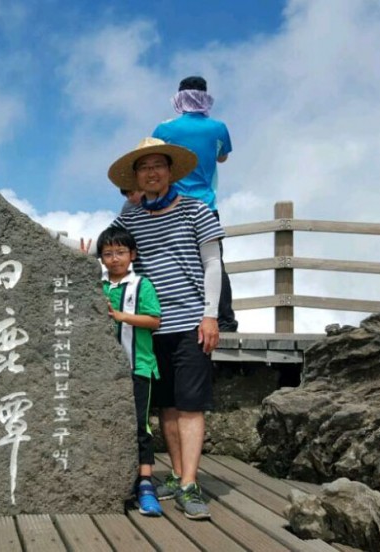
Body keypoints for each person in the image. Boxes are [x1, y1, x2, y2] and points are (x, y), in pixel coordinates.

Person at [106, 137, 224, 520]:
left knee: (191, 405)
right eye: (144, 167)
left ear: (171, 170)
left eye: (158, 165)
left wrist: (210, 315)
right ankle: (175, 475)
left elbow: (212, 264)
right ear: (136, 176)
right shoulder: (133, 216)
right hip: (151, 329)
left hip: (191, 321)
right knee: (168, 406)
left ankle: (190, 483)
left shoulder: (196, 210)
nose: (152, 172)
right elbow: (104, 246)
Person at [153, 76, 238, 332]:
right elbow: (222, 158)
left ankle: (173, 317)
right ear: (205, 97)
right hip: (207, 205)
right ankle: (224, 320)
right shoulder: (218, 127)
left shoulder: (164, 130)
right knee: (213, 262)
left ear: (179, 98)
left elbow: (152, 161)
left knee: (170, 259)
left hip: (171, 206)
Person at [97, 226, 163, 517]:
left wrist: (123, 317)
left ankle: (145, 483)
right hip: (101, 371)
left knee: (140, 426)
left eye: (120, 252)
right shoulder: (96, 284)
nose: (114, 259)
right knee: (103, 424)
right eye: (108, 253)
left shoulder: (141, 285)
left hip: (138, 366)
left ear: (133, 254)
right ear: (100, 258)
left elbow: (154, 320)